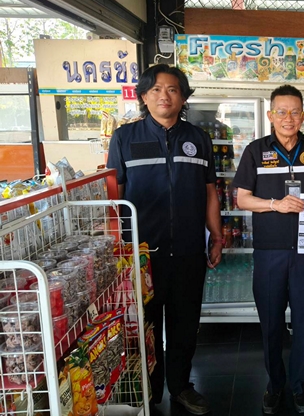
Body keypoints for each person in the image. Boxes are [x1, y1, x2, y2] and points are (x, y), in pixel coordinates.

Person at [107, 64, 222, 416]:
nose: (164, 96)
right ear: (144, 96)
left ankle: (182, 386)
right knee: (146, 324)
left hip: (188, 249)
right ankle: (149, 389)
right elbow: (115, 194)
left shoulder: (198, 138)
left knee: (185, 322)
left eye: (172, 89)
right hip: (142, 254)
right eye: (155, 89)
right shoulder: (124, 138)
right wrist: (117, 245)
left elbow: (210, 191)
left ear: (183, 97)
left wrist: (216, 236)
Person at [232, 84, 304, 414]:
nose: (288, 118)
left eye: (294, 112)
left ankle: (299, 384)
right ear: (270, 115)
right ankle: (275, 384)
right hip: (269, 251)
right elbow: (242, 199)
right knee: (271, 322)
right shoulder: (255, 151)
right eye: (281, 111)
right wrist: (275, 204)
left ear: (303, 116)